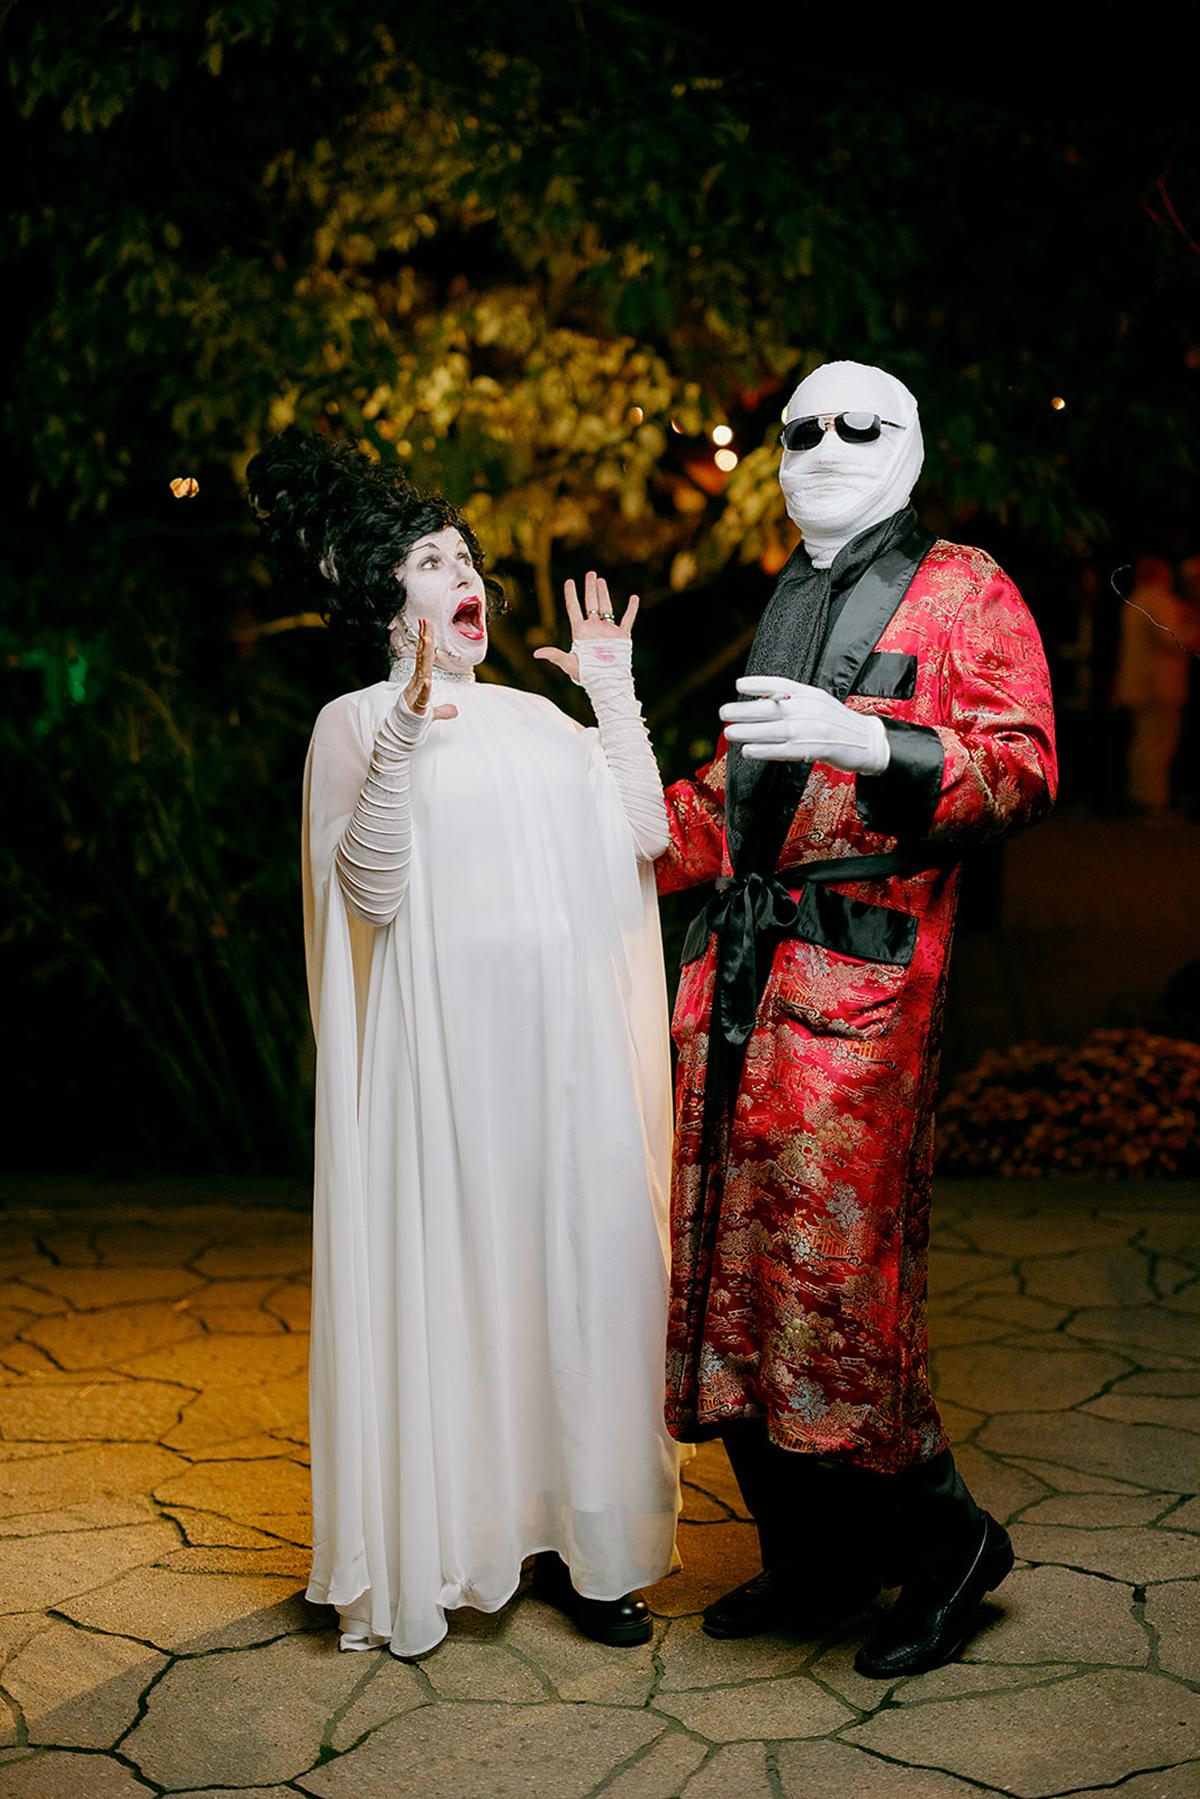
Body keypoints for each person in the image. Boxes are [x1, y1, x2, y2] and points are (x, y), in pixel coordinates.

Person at [247, 429, 681, 1659]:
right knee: (462, 1289)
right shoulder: (352, 722)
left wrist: (609, 688)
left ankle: (585, 1549)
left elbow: (644, 836)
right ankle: (461, 1535)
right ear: (394, 597)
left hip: (559, 1062)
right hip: (441, 1073)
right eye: (435, 559)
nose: (460, 571)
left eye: (466, 555)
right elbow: (367, 894)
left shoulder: (544, 725)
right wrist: (407, 732)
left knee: (577, 1286)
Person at [654, 361, 1058, 1677]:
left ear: (913, 445)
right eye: (801, 428)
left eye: (858, 424)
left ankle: (944, 1548)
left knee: (833, 1277)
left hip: (859, 985)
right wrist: (601, 778)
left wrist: (876, 740)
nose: (825, 444)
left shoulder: (963, 585)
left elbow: (1023, 760)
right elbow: (729, 804)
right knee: (727, 1267)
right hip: (739, 983)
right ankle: (812, 1550)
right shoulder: (788, 595)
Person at [1112, 554, 1194, 817]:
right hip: (1159, 685)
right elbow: (1172, 639)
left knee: (1143, 742)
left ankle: (1140, 796)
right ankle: (1154, 800)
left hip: (1140, 684)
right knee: (1159, 743)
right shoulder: (1158, 600)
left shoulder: (1134, 600)